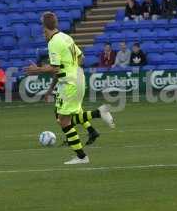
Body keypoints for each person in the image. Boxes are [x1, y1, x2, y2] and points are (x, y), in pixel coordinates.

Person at [25, 12, 115, 165]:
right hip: (77, 78)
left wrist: (37, 70)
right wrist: (70, 69)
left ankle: (84, 152)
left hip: (69, 84)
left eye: (42, 29)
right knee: (64, 120)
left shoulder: (53, 42)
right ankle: (84, 150)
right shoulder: (66, 37)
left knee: (64, 121)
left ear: (44, 28)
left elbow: (54, 68)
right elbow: (81, 58)